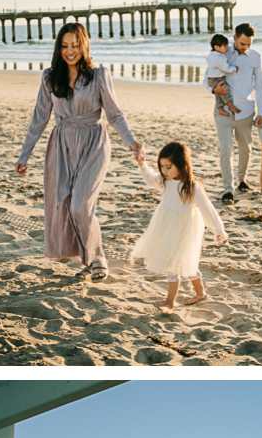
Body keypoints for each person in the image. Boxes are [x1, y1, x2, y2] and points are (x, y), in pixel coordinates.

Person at [16, 22, 142, 281]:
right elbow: (39, 118)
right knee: (71, 207)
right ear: (58, 48)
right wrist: (24, 155)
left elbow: (114, 115)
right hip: (62, 146)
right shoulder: (50, 77)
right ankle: (89, 259)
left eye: (75, 45)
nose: (70, 51)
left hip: (94, 143)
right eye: (64, 46)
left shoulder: (98, 75)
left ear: (84, 45)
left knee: (80, 204)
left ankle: (97, 258)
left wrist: (132, 142)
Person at [131, 142, 227, 311]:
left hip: (184, 228)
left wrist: (219, 230)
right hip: (166, 224)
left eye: (168, 167)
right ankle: (200, 292)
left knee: (173, 264)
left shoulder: (191, 186)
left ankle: (169, 302)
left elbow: (208, 209)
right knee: (186, 262)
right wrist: (142, 164)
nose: (164, 171)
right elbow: (150, 179)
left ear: (182, 165)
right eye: (162, 167)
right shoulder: (165, 180)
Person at [203, 22, 262, 203]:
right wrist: (214, 91)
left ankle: (242, 179)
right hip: (223, 113)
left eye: (249, 44)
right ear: (235, 38)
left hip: (245, 111)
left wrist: (261, 111)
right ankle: (227, 190)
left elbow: (261, 87)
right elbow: (206, 78)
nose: (245, 47)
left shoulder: (256, 57)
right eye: (242, 43)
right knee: (226, 149)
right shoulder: (222, 54)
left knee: (245, 149)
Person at [204, 34, 240, 117]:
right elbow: (226, 68)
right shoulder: (219, 58)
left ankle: (220, 109)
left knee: (219, 94)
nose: (227, 48)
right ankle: (230, 106)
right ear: (216, 47)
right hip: (216, 79)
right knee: (224, 91)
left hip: (212, 79)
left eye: (227, 46)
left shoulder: (212, 55)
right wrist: (234, 68)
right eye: (225, 46)